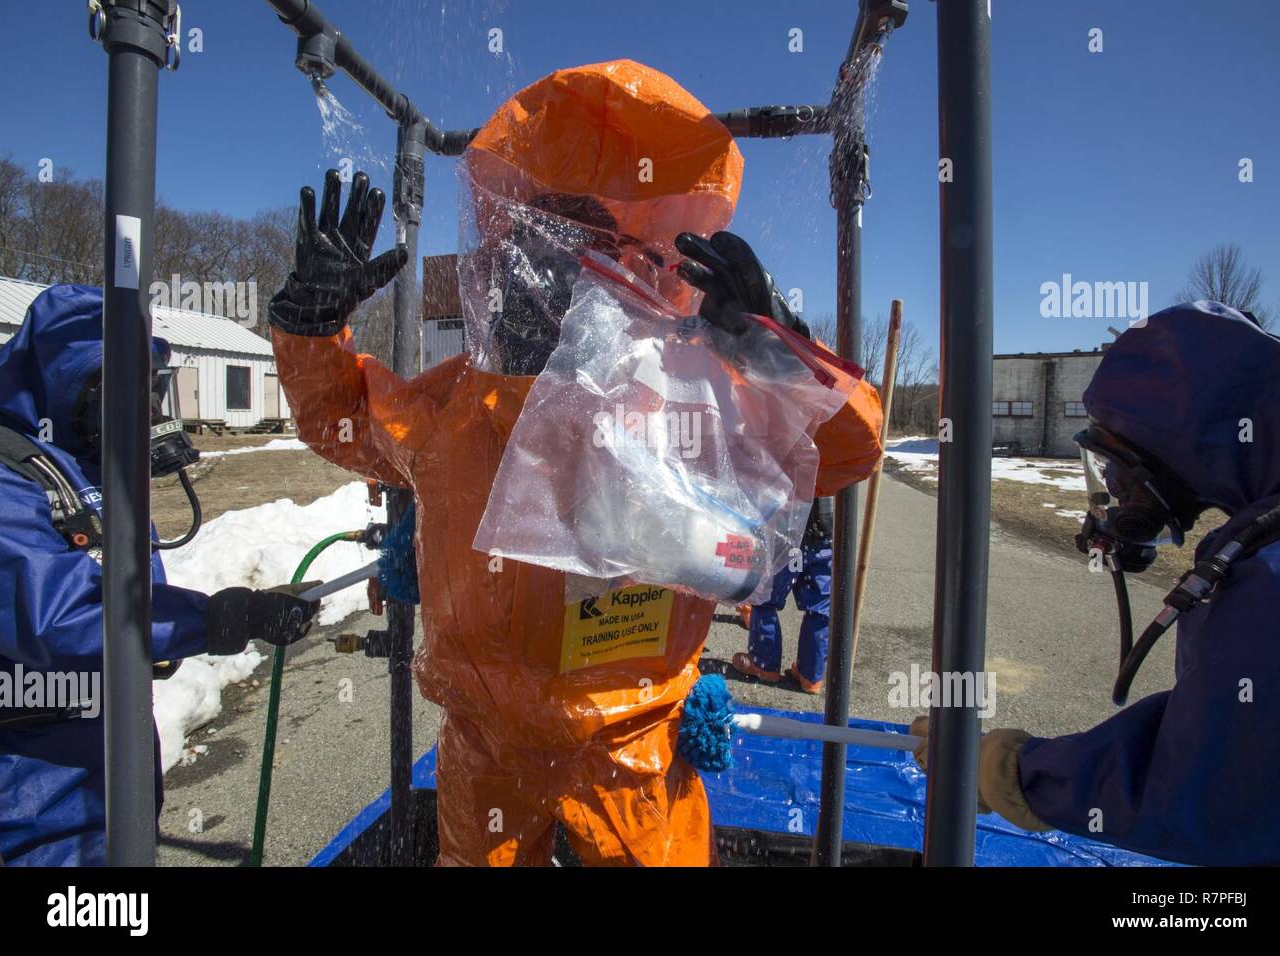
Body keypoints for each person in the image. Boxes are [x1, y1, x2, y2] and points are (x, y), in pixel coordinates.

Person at [269, 60, 885, 866]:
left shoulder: (685, 391)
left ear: (628, 266)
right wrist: (311, 327)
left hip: (635, 753)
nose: (545, 273)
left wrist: (765, 338)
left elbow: (848, 449)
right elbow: (345, 421)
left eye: (575, 248)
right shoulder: (457, 405)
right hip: (488, 752)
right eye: (529, 245)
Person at [910, 301, 1280, 866]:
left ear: (1179, 439)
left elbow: (1209, 785)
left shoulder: (1275, 569)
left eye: (1119, 463)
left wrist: (1011, 771)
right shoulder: (1270, 533)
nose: (1115, 492)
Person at [0, 285, 321, 866]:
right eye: (123, 391)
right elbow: (59, 618)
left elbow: (132, 586)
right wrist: (220, 617)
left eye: (151, 390)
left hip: (113, 752)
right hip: (34, 781)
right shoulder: (9, 477)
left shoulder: (93, 467)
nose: (144, 411)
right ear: (68, 382)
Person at [731, 497, 834, 694]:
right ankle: (811, 674)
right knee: (820, 605)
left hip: (790, 530)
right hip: (824, 532)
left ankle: (764, 663)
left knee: (766, 596)